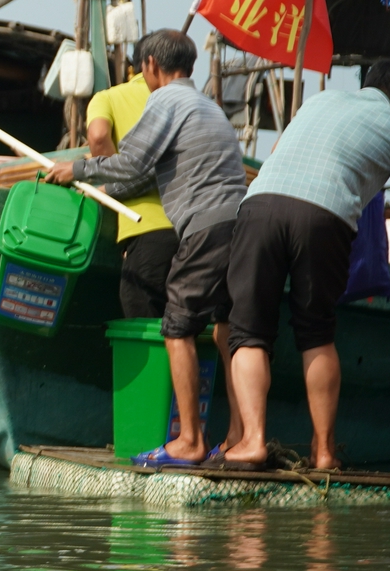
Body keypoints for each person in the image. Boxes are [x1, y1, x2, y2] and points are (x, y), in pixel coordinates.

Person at [221, 58, 390, 470]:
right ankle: (324, 452)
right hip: (324, 216)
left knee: (249, 332)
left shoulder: (319, 101)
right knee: (316, 333)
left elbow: (276, 154)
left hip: (260, 205)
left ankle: (252, 442)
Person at [44, 29, 248, 467]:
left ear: (151, 65)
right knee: (227, 327)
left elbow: (131, 162)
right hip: (240, 225)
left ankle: (189, 441)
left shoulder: (165, 100)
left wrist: (76, 169)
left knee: (176, 327)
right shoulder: (209, 107)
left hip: (204, 225)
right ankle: (237, 438)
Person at [86, 49, 179, 318]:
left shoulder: (109, 97)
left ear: (144, 64)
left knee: (143, 316)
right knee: (185, 325)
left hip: (146, 227)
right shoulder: (195, 104)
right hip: (199, 230)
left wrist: (111, 180)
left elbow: (98, 135)